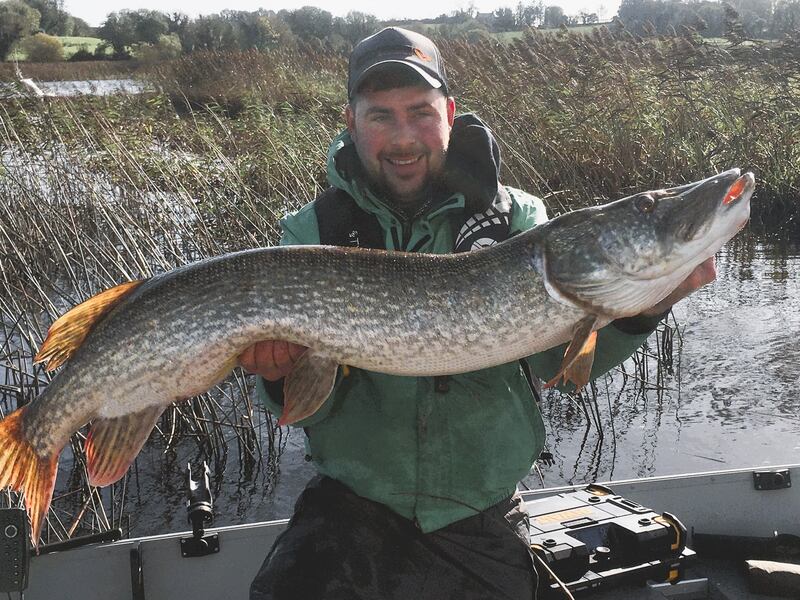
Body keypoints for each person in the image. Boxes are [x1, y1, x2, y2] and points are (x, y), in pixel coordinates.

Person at [242, 27, 715, 600]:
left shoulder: (518, 220)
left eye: (420, 112)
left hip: (479, 509)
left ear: (450, 112)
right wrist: (275, 373)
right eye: (380, 116)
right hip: (352, 507)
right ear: (351, 121)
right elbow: (301, 402)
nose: (403, 138)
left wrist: (644, 310)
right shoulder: (311, 233)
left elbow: (560, 368)